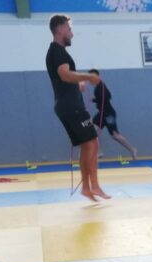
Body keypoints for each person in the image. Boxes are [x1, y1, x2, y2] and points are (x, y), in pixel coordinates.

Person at [46, 15, 107, 202]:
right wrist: (88, 77)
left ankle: (87, 188)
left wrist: (77, 83)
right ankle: (94, 186)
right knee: (93, 143)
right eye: (69, 29)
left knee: (87, 144)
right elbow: (64, 75)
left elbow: (63, 77)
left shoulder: (56, 52)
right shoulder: (57, 52)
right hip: (72, 108)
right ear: (60, 29)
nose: (72, 34)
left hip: (65, 107)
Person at [87, 69, 138, 160]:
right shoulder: (98, 87)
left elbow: (108, 96)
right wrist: (95, 99)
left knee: (115, 135)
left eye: (93, 77)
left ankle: (132, 149)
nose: (91, 79)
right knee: (91, 128)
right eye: (90, 77)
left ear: (98, 77)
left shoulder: (101, 86)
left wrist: (94, 99)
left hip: (108, 114)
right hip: (101, 114)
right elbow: (103, 97)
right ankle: (98, 152)